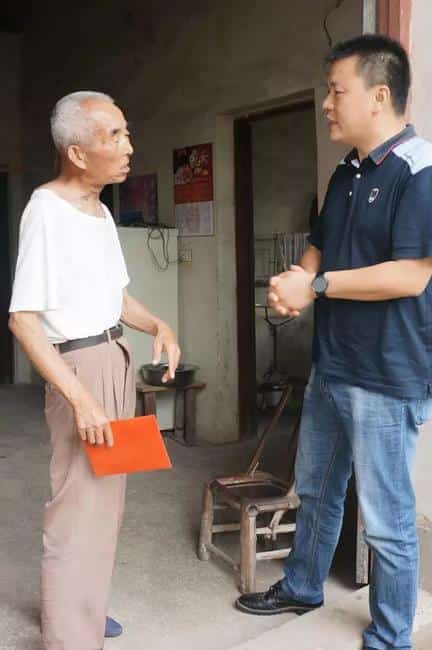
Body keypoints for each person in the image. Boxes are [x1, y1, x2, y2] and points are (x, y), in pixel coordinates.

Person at [235, 35, 432, 650]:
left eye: (337, 92)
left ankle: (390, 637)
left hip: (388, 374)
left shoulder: (425, 170)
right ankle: (303, 585)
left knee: (386, 520)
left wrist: (316, 285)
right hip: (334, 365)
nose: (328, 104)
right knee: (316, 488)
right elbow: (321, 244)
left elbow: (411, 274)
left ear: (379, 95)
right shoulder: (347, 171)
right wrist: (295, 282)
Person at [9, 91, 181, 650]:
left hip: (114, 356)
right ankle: (69, 637)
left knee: (106, 501)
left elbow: (117, 296)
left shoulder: (101, 212)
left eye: (126, 133)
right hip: (78, 367)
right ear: (78, 153)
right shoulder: (46, 210)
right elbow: (23, 321)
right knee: (75, 508)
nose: (128, 147)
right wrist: (81, 399)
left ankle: (86, 608)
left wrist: (157, 325)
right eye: (115, 136)